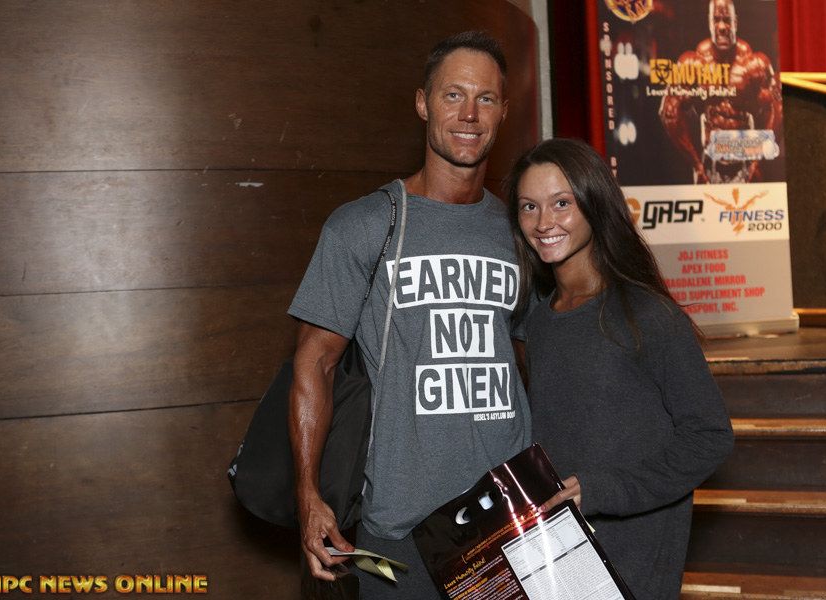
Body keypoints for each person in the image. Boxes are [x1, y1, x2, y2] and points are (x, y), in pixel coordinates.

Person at [288, 31, 531, 598]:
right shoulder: (364, 225)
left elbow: (530, 358)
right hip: (396, 533)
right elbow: (314, 363)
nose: (469, 114)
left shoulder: (521, 232)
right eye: (453, 95)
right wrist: (308, 494)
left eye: (486, 98)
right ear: (423, 103)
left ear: (503, 111)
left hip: (510, 520)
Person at [505, 138, 734, 600]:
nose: (544, 222)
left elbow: (709, 437)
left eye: (562, 203)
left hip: (633, 559)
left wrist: (603, 491)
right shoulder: (537, 321)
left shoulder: (646, 314)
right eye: (529, 206)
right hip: (557, 559)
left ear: (594, 204)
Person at [659, 0, 783, 183]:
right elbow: (669, 113)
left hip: (748, 161)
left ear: (736, 22)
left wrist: (758, 161)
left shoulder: (755, 64)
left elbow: (778, 108)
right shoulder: (694, 62)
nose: (722, 27)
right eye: (716, 20)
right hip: (710, 164)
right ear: (709, 23)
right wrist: (696, 165)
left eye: (727, 20)